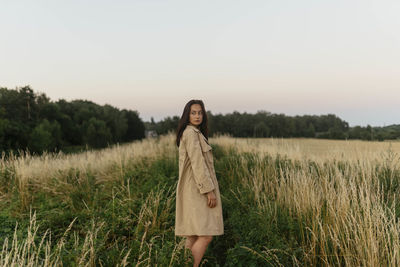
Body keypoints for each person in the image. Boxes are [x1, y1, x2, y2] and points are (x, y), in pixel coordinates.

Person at [175, 99, 224, 267]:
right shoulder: (190, 133)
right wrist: (209, 191)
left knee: (193, 235)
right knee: (206, 235)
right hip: (197, 191)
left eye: (200, 112)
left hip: (192, 189)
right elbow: (198, 164)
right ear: (187, 115)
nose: (197, 116)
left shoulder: (193, 132)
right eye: (193, 113)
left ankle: (183, 264)